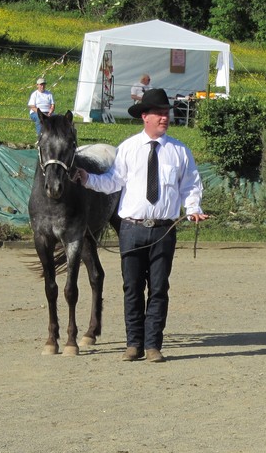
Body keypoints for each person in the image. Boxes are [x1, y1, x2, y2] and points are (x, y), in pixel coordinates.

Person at [75, 88, 208, 363]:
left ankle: (153, 345)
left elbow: (191, 186)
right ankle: (133, 344)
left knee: (158, 288)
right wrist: (88, 179)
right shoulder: (128, 148)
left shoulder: (180, 151)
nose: (164, 117)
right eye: (159, 113)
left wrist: (193, 209)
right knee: (132, 287)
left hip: (164, 229)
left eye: (166, 113)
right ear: (145, 116)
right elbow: (113, 181)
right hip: (132, 229)